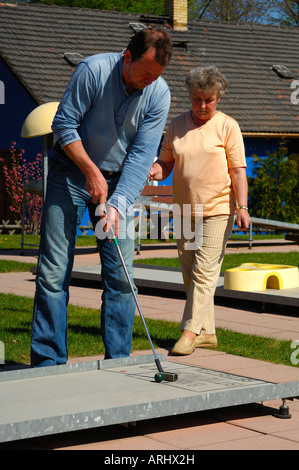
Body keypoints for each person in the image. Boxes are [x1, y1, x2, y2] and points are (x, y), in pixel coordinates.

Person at [30, 27, 172, 367]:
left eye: (156, 76)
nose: (149, 82)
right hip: (69, 171)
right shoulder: (93, 70)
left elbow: (141, 157)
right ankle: (49, 362)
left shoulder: (158, 93)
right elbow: (64, 125)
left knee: (121, 278)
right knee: (53, 271)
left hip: (120, 179)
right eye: (144, 73)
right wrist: (92, 173)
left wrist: (118, 206)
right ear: (127, 57)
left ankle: (118, 361)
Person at [149, 65, 250, 355]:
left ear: (218, 98)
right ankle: (207, 332)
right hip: (184, 210)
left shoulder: (228, 126)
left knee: (205, 271)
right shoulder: (177, 125)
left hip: (218, 207)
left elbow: (238, 171)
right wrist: (156, 169)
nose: (202, 106)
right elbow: (166, 162)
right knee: (190, 272)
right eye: (197, 99)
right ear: (190, 97)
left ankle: (189, 332)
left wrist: (242, 206)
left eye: (209, 99)